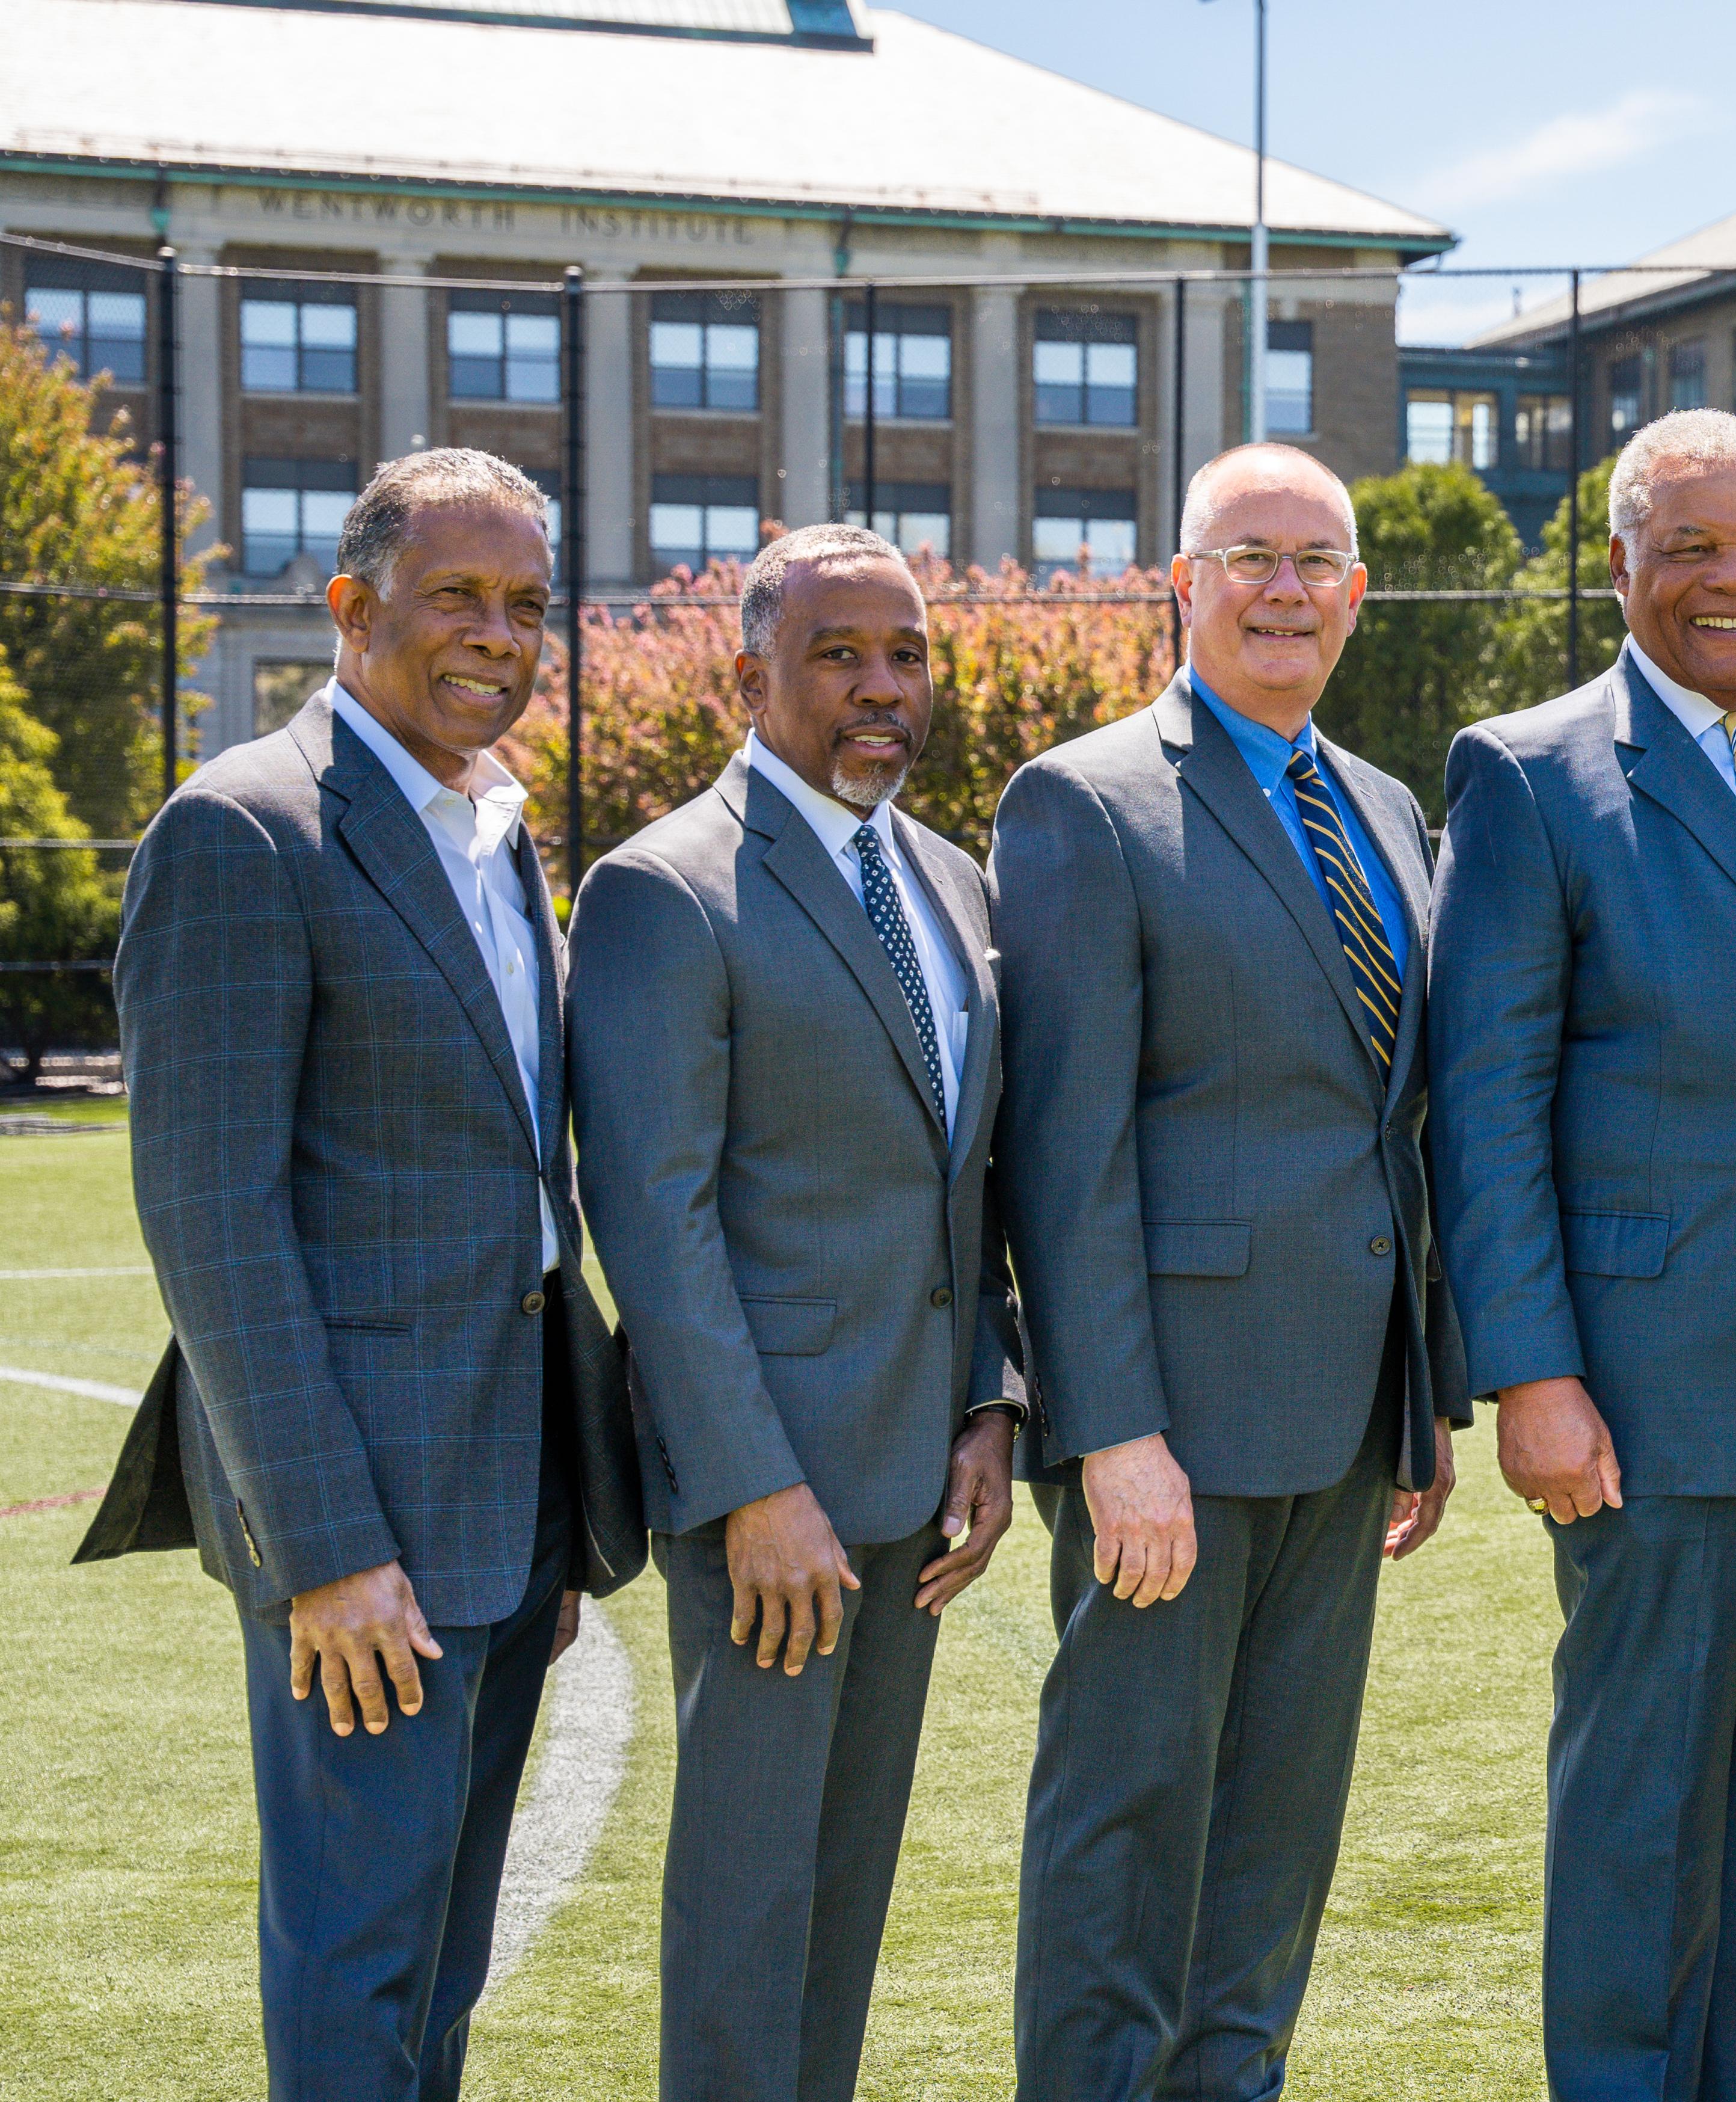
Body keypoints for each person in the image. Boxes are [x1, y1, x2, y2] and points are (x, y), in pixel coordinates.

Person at [75, 447, 647, 2101]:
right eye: (455, 595)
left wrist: (560, 1497)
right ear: (350, 607)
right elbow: (212, 1216)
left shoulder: (500, 838)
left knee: (441, 1967)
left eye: (527, 605)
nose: (498, 635)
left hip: (514, 1496)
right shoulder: (242, 831)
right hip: (363, 1525)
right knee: (357, 1961)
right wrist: (324, 1549)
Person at [1427, 408, 1736, 2101]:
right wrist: (1532, 1370)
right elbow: (1484, 1098)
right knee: (1644, 1812)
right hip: (1644, 1391)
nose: (1735, 580)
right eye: (1695, 548)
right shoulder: (1530, 772)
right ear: (1624, 566)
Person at [990, 442, 1463, 2100]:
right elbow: (1065, 1152)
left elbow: (1396, 1124)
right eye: (1246, 555)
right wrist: (1112, 1432)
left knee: (1274, 1839)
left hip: (1344, 1422)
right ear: (1180, 585)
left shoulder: (1391, 812)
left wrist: (1424, 1398)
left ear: (1356, 592)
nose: (1282, 588)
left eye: (1314, 559)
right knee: (1128, 1827)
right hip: (1168, 1430)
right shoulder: (1084, 800)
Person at [566, 523, 1025, 2102]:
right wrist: (755, 1490)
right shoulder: (662, 891)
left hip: (915, 1489)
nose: (882, 688)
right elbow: (656, 1222)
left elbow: (962, 1189)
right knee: (753, 1910)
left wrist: (992, 1407)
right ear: (747, 672)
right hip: (770, 1501)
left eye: (904, 653)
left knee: (842, 1900)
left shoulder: (955, 883)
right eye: (839, 655)